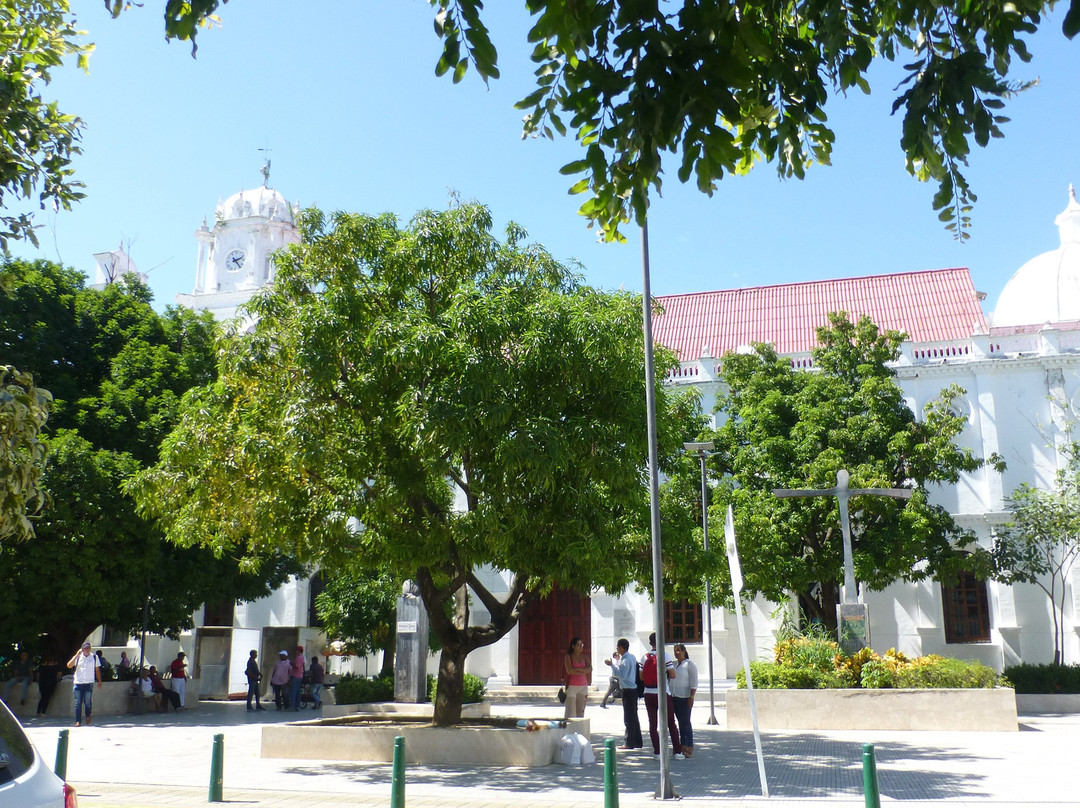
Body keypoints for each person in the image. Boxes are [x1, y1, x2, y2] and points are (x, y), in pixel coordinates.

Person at [642, 632, 683, 759]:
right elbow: (673, 674)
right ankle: (677, 751)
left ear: (650, 643)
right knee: (670, 722)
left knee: (652, 724)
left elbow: (641, 676)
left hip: (648, 693)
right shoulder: (665, 656)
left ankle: (657, 752)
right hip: (663, 693)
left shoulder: (644, 657)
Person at [605, 637, 642, 749]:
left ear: (621, 647)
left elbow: (621, 674)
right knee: (634, 716)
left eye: (618, 647)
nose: (617, 649)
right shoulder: (632, 657)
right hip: (633, 689)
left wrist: (612, 665)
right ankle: (637, 741)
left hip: (628, 690)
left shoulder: (625, 660)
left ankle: (629, 742)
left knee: (628, 717)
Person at [671, 643, 699, 758]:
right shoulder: (673, 664)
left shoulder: (689, 665)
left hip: (685, 697)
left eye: (678, 650)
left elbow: (694, 682)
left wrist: (691, 697)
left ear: (683, 651)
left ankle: (688, 746)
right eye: (675, 650)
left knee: (685, 722)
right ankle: (680, 745)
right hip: (674, 697)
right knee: (678, 722)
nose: (676, 653)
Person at [66, 641, 102, 726]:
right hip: (78, 682)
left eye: (88, 648)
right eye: (85, 648)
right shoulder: (78, 657)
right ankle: (78, 720)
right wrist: (76, 655)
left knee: (88, 702)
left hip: (88, 683)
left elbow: (97, 670)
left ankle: (88, 715)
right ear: (82, 649)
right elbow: (69, 665)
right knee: (78, 703)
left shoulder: (94, 657)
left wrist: (99, 681)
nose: (87, 650)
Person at [562, 636, 591, 719]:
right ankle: (569, 731)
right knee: (570, 712)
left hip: (583, 686)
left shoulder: (585, 657)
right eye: (578, 645)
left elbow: (590, 669)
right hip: (572, 686)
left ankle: (579, 730)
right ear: (573, 646)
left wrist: (577, 669)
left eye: (582, 645)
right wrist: (583, 670)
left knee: (580, 712)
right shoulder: (568, 657)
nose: (581, 647)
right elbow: (570, 670)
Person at [288, 645, 305, 711]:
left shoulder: (298, 657)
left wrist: (291, 663)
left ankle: (292, 706)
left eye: (296, 650)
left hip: (296, 676)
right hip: (300, 676)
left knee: (293, 692)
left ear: (299, 651)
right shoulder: (302, 657)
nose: (295, 651)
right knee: (298, 692)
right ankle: (297, 706)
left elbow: (296, 666)